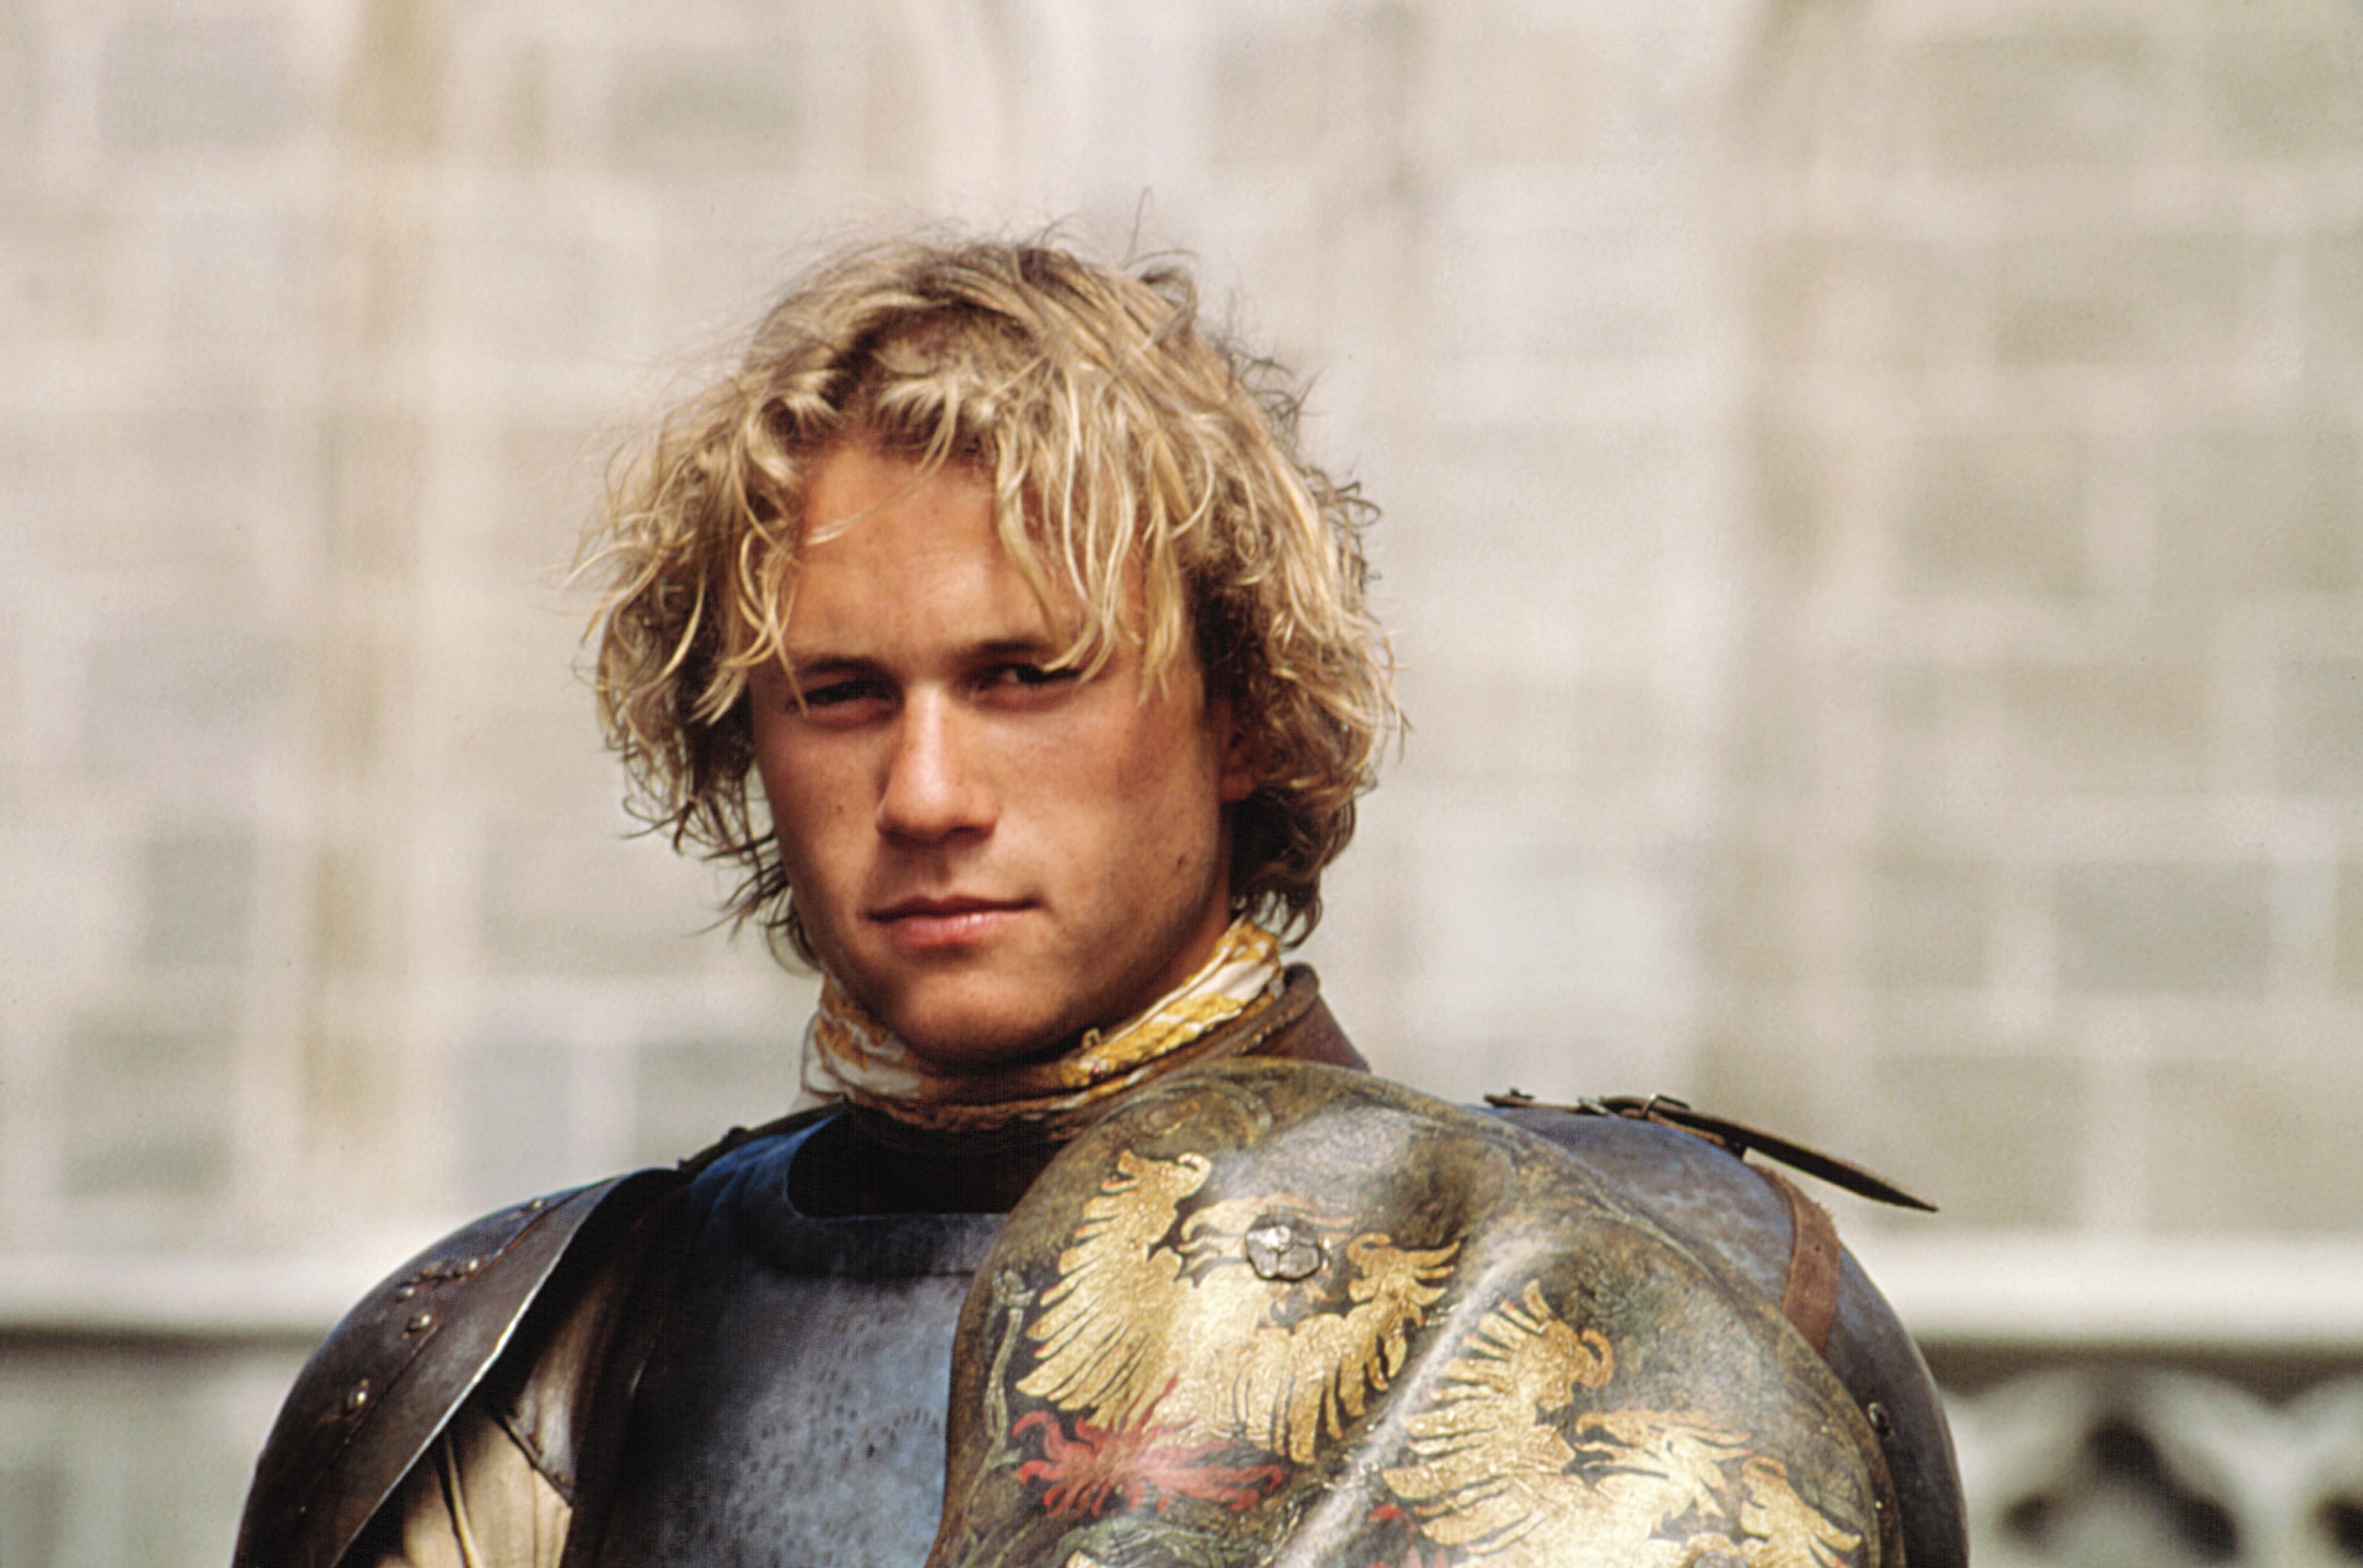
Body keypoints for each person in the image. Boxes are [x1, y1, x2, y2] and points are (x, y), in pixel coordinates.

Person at [232, 235, 1963, 1568]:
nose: (922, 795)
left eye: (1023, 677)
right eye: (839, 694)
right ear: (741, 743)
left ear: (1241, 710)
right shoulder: (520, 1371)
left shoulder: (1689, 1287)